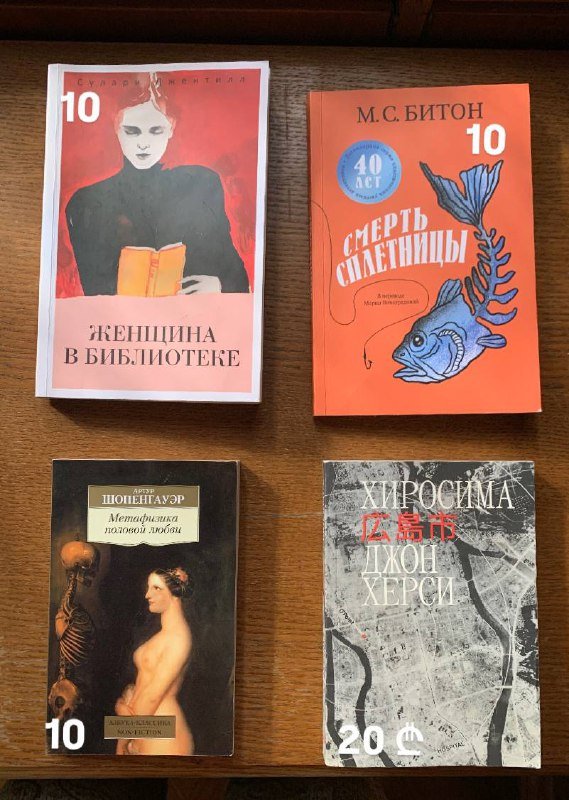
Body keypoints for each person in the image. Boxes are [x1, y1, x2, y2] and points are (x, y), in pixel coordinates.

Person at [66, 76, 250, 296]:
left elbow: (236, 276)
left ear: (171, 127)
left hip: (198, 313)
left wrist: (219, 286)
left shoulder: (202, 183)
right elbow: (95, 292)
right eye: (132, 131)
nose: (143, 144)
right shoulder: (86, 203)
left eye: (156, 131)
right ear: (116, 127)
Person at [114, 567, 193, 755]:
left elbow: (152, 697)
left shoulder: (179, 637)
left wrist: (123, 736)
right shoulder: (164, 634)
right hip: (143, 725)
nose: (147, 595)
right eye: (149, 587)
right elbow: (145, 683)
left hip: (161, 732)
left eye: (156, 588)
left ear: (174, 594)